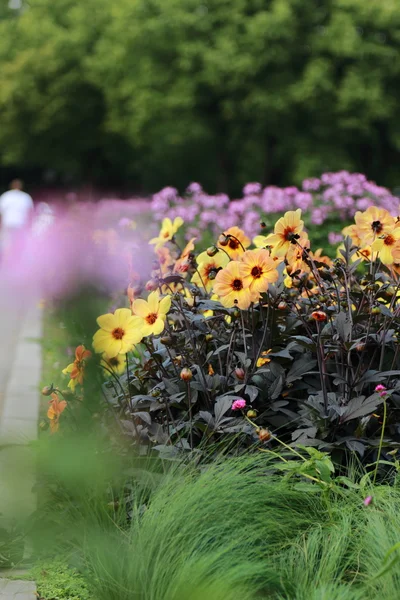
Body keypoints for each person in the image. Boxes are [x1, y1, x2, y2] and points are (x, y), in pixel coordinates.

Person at [0, 179, 34, 257]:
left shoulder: (6, 196)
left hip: (11, 223)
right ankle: (14, 259)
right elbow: (30, 212)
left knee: (8, 243)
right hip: (18, 223)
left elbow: (1, 212)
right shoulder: (25, 197)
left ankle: (9, 259)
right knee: (17, 243)